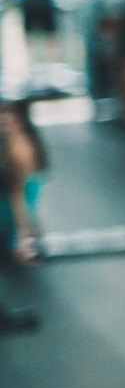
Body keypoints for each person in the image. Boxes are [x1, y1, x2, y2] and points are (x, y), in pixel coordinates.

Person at [1, 98, 46, 265]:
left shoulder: (17, 152)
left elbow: (17, 197)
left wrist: (23, 238)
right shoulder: (20, 143)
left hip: (9, 225)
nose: (2, 128)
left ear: (18, 122)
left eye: (6, 123)